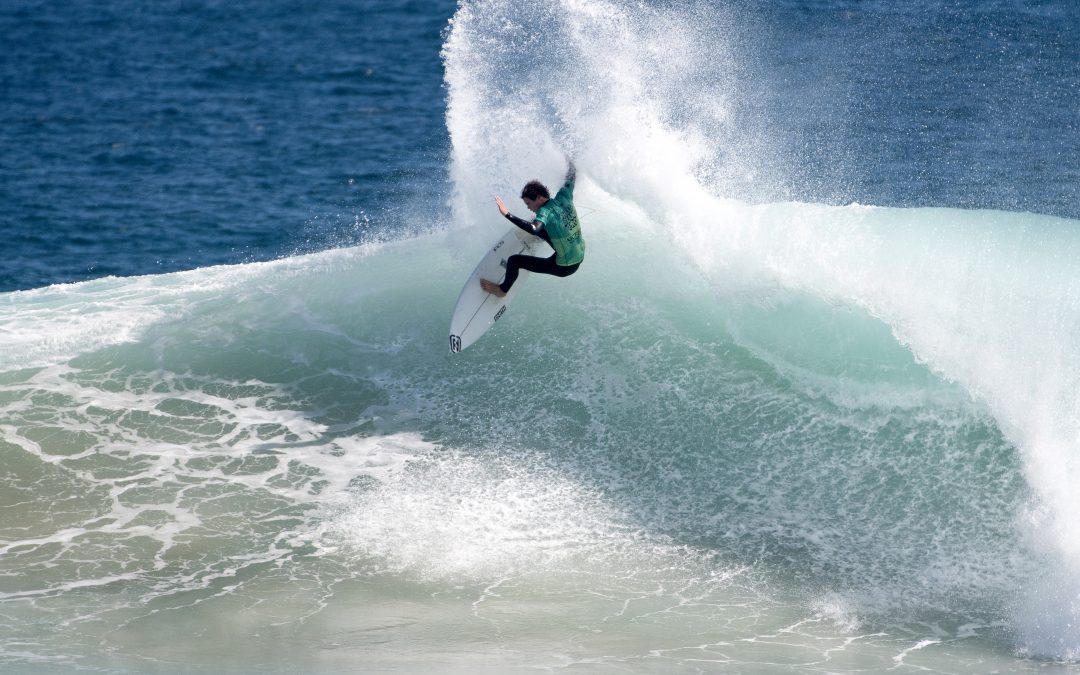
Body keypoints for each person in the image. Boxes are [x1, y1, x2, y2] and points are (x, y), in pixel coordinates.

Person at [479, 159, 585, 297]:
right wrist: (569, 161)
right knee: (546, 230)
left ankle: (502, 290)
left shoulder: (544, 212)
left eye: (529, 203)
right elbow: (571, 176)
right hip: (579, 254)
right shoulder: (564, 194)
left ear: (540, 198)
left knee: (514, 261)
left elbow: (534, 228)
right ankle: (539, 239)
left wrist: (507, 214)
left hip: (565, 267)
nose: (528, 207)